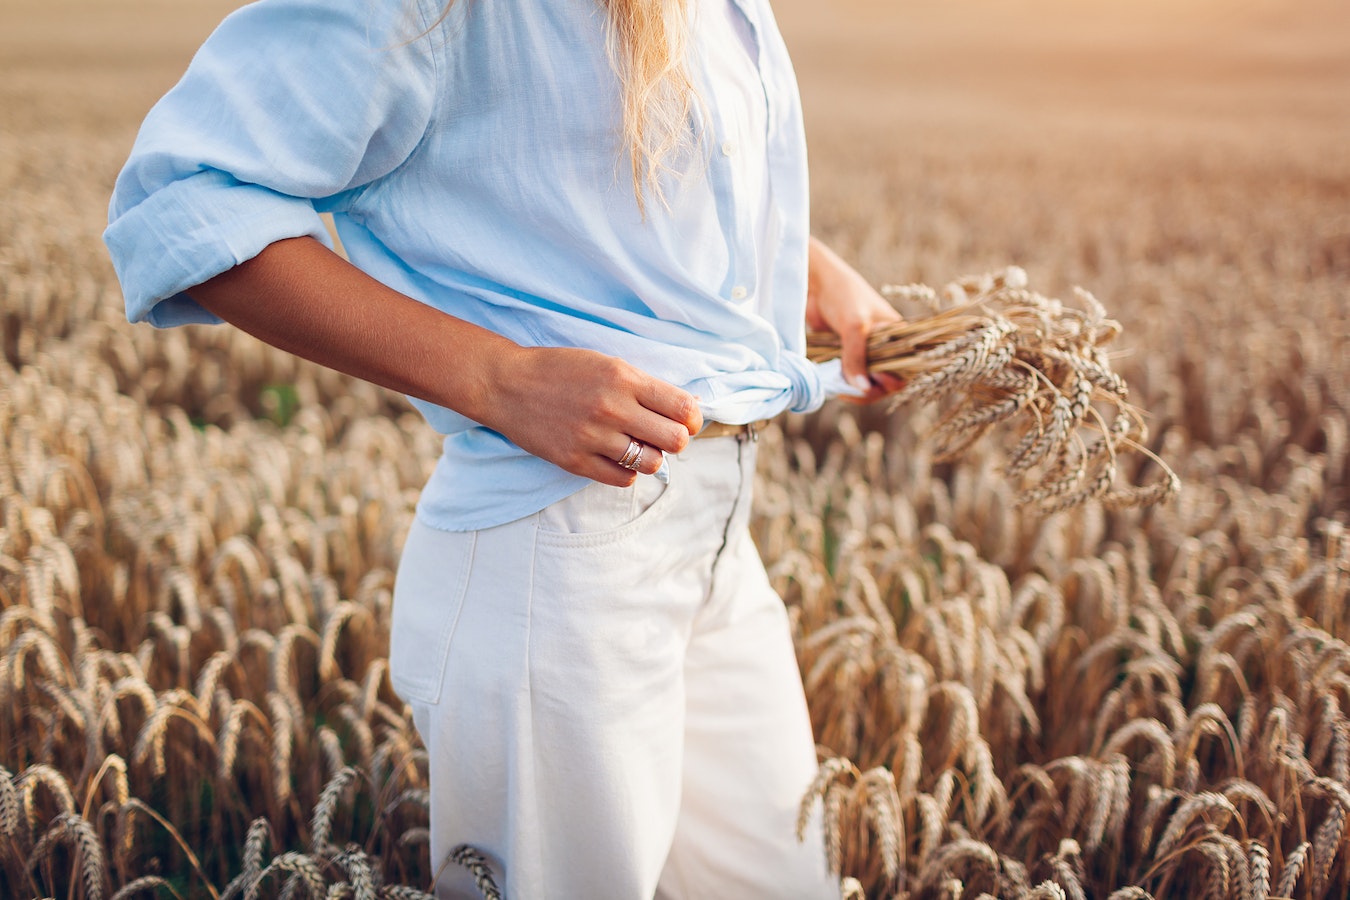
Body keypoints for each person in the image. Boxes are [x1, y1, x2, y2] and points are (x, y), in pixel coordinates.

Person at [105, 0, 902, 894]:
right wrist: (500, 379)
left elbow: (609, 170)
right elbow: (185, 196)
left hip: (719, 533)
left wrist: (807, 274)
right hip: (555, 550)